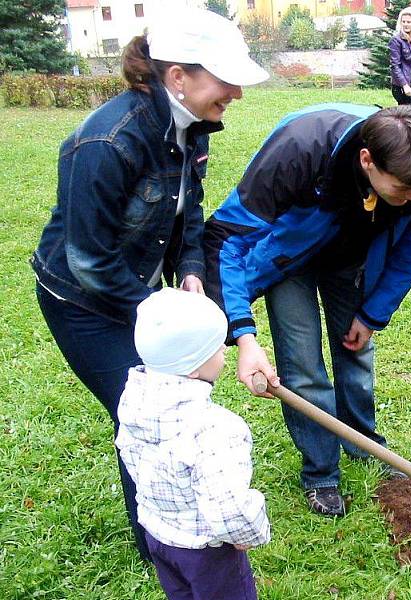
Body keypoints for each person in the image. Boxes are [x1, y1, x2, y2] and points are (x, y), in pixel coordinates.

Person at [30, 8, 267, 561]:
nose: (235, 91)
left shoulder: (191, 130)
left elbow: (188, 217)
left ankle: (172, 523)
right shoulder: (106, 142)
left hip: (143, 292)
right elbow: (87, 258)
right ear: (177, 76)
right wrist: (162, 311)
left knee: (168, 404)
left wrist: (188, 274)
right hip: (83, 300)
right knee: (142, 406)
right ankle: (163, 539)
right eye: (223, 77)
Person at [204, 104, 411, 517]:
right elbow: (228, 238)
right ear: (366, 160)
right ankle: (321, 473)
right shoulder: (298, 150)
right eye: (403, 187)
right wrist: (244, 334)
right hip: (288, 262)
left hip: (352, 261)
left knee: (356, 354)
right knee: (302, 368)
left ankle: (364, 446)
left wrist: (372, 315)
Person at [116, 289, 270, 600]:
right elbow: (229, 508)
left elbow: (130, 456)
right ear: (193, 368)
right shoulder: (214, 428)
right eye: (215, 348)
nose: (224, 353)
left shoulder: (133, 400)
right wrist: (250, 533)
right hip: (205, 553)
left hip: (159, 538)